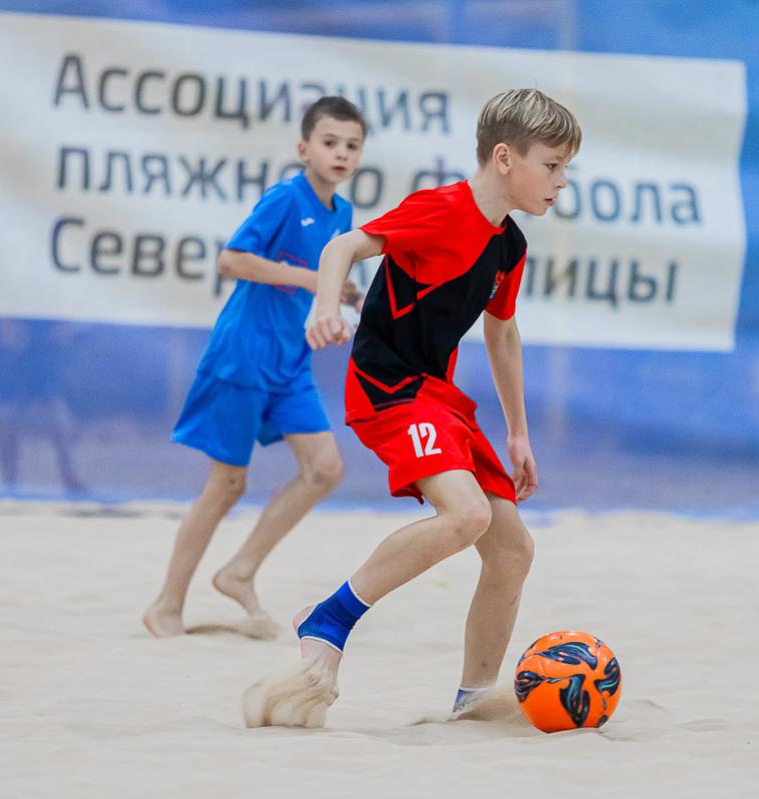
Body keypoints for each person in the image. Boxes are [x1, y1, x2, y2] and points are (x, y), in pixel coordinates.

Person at [243, 88, 581, 727]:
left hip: (437, 397)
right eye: (553, 165)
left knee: (513, 550)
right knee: (467, 515)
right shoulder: (440, 209)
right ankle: (329, 620)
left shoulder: (509, 245)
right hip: (387, 389)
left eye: (565, 168)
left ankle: (473, 701)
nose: (562, 182)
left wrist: (518, 433)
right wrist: (324, 308)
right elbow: (340, 249)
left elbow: (503, 335)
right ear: (505, 157)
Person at [143, 96, 368, 638]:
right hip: (242, 355)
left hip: (290, 362)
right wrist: (311, 279)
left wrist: (346, 297)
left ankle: (239, 572)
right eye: (330, 142)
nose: (341, 153)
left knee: (325, 469)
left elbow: (325, 282)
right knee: (227, 484)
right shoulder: (285, 198)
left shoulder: (341, 214)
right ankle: (166, 605)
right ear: (304, 148)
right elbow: (231, 260)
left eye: (352, 145)